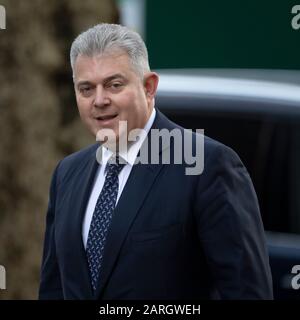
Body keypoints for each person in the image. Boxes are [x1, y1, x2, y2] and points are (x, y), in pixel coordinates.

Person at [39, 23, 273, 300]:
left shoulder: (206, 165)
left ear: (149, 87)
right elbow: (54, 289)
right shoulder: (67, 173)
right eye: (86, 89)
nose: (99, 100)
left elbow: (247, 292)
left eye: (114, 85)